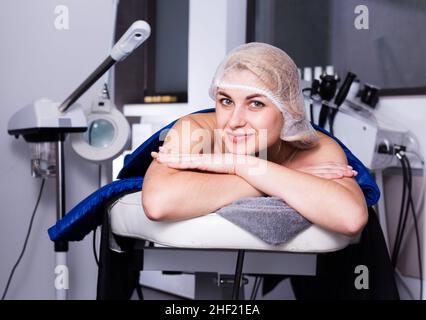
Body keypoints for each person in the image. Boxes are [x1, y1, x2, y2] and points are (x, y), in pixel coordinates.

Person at [142, 42, 368, 236]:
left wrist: (237, 165)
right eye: (226, 101)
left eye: (256, 103)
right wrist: (278, 179)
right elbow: (158, 204)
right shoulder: (195, 128)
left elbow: (351, 219)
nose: (234, 121)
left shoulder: (316, 148)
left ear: (288, 110)